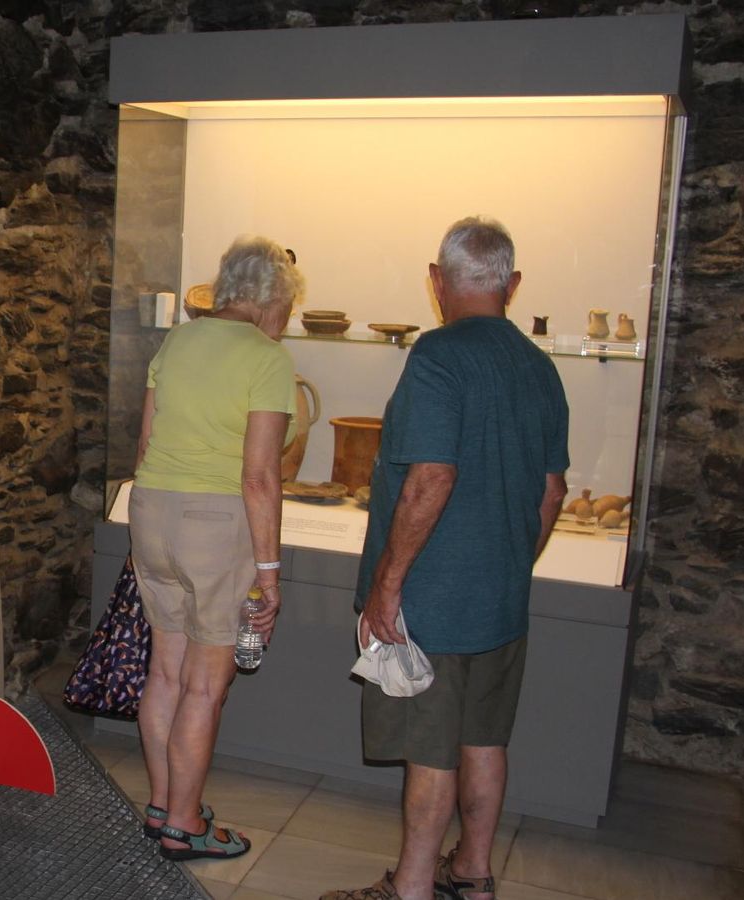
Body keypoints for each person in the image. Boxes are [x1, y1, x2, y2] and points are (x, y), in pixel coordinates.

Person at [323, 218, 569, 900]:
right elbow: (552, 491)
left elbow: (431, 477)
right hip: (499, 599)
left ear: (438, 283)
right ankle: (473, 872)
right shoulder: (538, 366)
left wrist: (387, 588)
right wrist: (514, 560)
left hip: (433, 601)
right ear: (512, 285)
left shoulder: (437, 357)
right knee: (485, 738)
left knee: (428, 751)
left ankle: (411, 890)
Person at [129, 235, 300, 861]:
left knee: (165, 672)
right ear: (272, 297)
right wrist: (270, 575)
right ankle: (184, 825)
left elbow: (145, 442)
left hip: (150, 511)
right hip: (216, 523)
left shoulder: (178, 339)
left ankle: (161, 804)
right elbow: (259, 476)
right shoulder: (267, 359)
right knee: (204, 686)